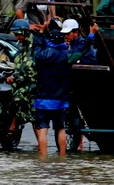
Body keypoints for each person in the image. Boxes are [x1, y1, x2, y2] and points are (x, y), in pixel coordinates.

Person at [32, 29, 84, 157]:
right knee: (60, 128)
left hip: (42, 99)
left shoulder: (39, 55)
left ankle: (43, 157)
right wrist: (91, 36)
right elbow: (80, 51)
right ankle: (62, 157)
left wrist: (39, 34)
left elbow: (36, 46)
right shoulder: (65, 56)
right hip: (59, 100)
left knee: (43, 130)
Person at [5, 19, 36, 138]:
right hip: (21, 82)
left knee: (17, 100)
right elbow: (18, 65)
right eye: (16, 35)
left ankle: (12, 127)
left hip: (33, 83)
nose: (17, 37)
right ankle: (11, 126)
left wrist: (16, 77)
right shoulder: (22, 47)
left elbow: (29, 68)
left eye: (19, 34)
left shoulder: (32, 46)